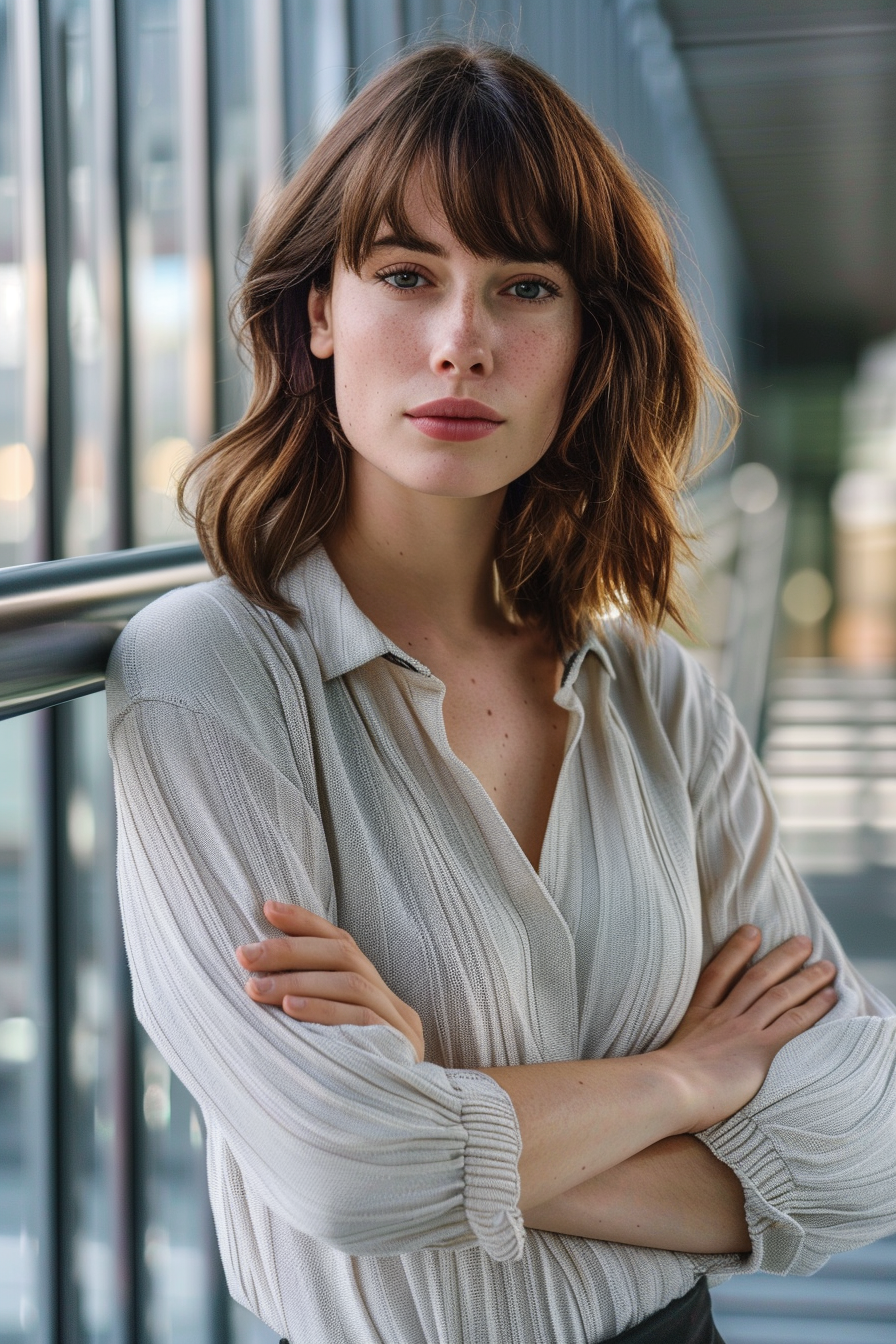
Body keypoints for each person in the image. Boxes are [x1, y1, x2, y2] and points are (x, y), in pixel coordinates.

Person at [106, 41, 896, 1344]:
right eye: (407, 276)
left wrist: (451, 1107)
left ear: (588, 336)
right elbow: (351, 1173)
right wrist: (688, 1075)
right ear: (318, 313)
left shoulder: (656, 691)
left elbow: (862, 1150)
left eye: (523, 285)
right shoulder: (212, 672)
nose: (460, 343)